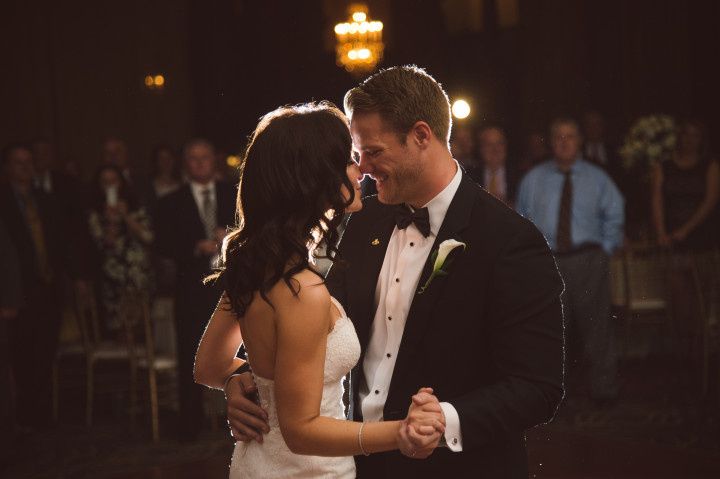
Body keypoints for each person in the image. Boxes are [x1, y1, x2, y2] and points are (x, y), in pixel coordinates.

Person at [227, 66, 565, 478]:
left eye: (373, 151)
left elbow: (538, 386)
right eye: (358, 154)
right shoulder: (362, 220)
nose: (362, 168)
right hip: (354, 463)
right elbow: (306, 325)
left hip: (454, 468)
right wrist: (246, 380)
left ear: (422, 136)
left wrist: (444, 420)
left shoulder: (509, 240)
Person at [194, 102, 445, 478]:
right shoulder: (302, 291)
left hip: (257, 465)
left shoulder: (257, 267)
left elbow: (210, 366)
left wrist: (237, 380)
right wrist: (403, 432)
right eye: (347, 160)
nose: (360, 170)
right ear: (312, 179)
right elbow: (301, 430)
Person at [516, 117, 624, 403]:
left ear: (580, 142)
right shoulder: (533, 179)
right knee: (548, 330)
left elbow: (615, 214)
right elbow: (521, 219)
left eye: (570, 137)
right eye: (558, 137)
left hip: (587, 260)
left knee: (597, 328)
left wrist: (606, 249)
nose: (564, 142)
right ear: (551, 143)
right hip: (547, 263)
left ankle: (605, 391)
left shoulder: (597, 178)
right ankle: (549, 394)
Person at [155, 138, 236, 441]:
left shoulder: (234, 193)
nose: (200, 163)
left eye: (205, 157)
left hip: (231, 286)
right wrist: (195, 247)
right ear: (184, 163)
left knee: (241, 352)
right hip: (190, 288)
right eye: (193, 159)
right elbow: (161, 243)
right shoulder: (171, 201)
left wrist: (230, 237)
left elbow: (254, 228)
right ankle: (190, 423)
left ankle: (240, 419)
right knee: (190, 353)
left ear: (213, 160)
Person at [0, 143, 76, 427]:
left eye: (28, 162)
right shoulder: (4, 200)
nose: (24, 167)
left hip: (49, 287)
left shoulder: (46, 199)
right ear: (7, 167)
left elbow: (61, 243)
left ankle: (43, 415)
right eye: (17, 162)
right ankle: (24, 415)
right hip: (18, 289)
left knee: (46, 350)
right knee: (21, 352)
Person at [651, 119, 719, 357]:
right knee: (679, 301)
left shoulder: (709, 165)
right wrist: (661, 232)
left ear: (702, 139)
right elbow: (657, 199)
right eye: (686, 134)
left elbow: (710, 201)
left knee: (701, 300)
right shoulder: (664, 166)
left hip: (700, 241)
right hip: (672, 242)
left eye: (696, 134)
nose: (690, 139)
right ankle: (682, 354)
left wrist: (687, 230)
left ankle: (701, 357)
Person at [87, 164, 153, 336]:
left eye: (113, 181)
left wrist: (125, 216)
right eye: (105, 182)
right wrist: (111, 221)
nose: (110, 186)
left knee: (142, 326)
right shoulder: (95, 214)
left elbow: (147, 237)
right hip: (113, 277)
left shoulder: (135, 208)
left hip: (138, 274)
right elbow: (103, 244)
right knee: (119, 327)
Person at [475, 125, 518, 205]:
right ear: (481, 149)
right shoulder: (470, 177)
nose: (495, 149)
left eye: (499, 143)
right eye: (488, 144)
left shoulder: (518, 175)